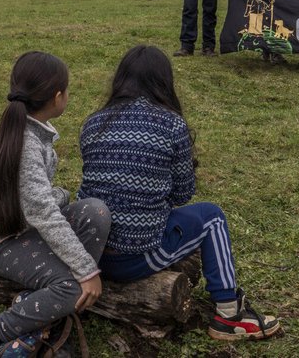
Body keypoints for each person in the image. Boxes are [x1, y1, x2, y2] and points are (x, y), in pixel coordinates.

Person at [78, 45, 281, 342]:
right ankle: (229, 314)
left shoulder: (93, 123)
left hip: (91, 256)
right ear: (164, 82)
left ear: (120, 80)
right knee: (212, 216)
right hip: (136, 258)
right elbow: (184, 193)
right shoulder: (172, 124)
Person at [0, 51, 111, 358]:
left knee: (96, 211)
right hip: (3, 242)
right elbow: (43, 212)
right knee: (74, 286)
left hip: (25, 227)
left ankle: (45, 313)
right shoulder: (26, 144)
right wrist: (87, 271)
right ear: (57, 97)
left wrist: (57, 196)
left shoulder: (30, 132)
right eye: (68, 91)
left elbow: (37, 200)